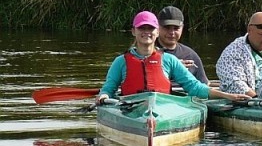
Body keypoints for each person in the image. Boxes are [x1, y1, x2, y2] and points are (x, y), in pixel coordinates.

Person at [96, 11, 250, 104]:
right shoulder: (120, 61)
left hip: (163, 108)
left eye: (150, 28)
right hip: (129, 109)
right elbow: (109, 88)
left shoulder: (169, 60)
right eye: (142, 28)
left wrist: (226, 95)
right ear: (133, 31)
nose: (146, 32)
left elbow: (194, 87)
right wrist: (103, 96)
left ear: (157, 32)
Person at [216, 11, 262, 97]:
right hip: (253, 100)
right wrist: (258, 100)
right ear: (249, 30)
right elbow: (235, 84)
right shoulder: (232, 52)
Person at [155, 5, 210, 84]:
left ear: (182, 28)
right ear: (157, 27)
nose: (171, 33)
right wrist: (175, 68)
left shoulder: (190, 55)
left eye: (176, 28)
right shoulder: (147, 52)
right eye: (167, 28)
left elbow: (204, 84)